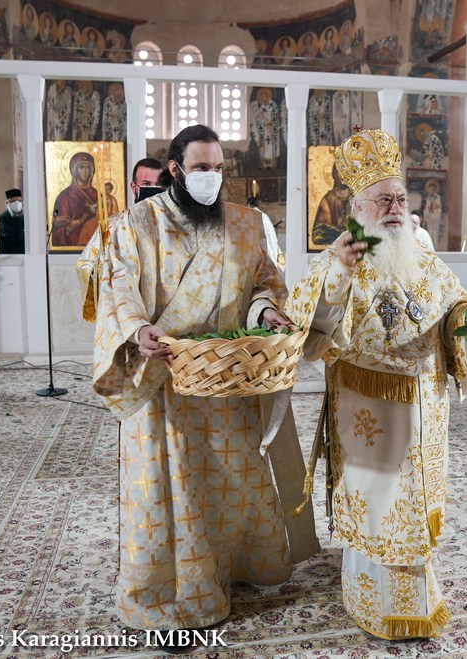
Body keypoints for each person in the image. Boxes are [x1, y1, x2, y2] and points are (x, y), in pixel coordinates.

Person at [92, 125, 317, 646]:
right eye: (200, 168)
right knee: (177, 488)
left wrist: (266, 312)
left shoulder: (246, 224)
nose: (211, 177)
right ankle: (175, 589)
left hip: (227, 378)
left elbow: (265, 283)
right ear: (175, 170)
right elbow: (119, 285)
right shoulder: (136, 224)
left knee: (231, 479)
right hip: (166, 380)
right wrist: (137, 330)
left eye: (218, 168)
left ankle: (237, 566)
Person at [285, 129, 467, 640]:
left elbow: (452, 302)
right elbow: (308, 325)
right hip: (369, 409)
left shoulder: (420, 253)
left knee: (415, 503)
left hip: (424, 406)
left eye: (400, 198)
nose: (396, 208)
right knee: (379, 506)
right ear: (358, 207)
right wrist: (340, 271)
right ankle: (372, 600)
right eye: (383, 200)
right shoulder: (339, 255)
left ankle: (419, 599)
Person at [77, 158, 165, 322]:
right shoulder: (113, 225)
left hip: (164, 311)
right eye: (146, 184)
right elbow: (85, 264)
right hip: (126, 311)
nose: (153, 190)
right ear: (134, 187)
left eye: (158, 185)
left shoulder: (174, 227)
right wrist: (102, 265)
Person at [51, 151, 101, 247]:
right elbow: (57, 232)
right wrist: (71, 226)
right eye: (81, 167)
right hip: (72, 247)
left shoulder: (99, 195)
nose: (85, 171)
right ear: (74, 170)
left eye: (88, 167)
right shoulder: (65, 196)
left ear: (92, 170)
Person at [311, 164, 351, 247]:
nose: (342, 176)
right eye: (339, 172)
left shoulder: (358, 197)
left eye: (345, 172)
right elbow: (318, 233)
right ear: (334, 175)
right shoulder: (328, 199)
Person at [246, 196, 282, 269]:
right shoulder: (264, 216)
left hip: (259, 247)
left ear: (248, 205)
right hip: (269, 246)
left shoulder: (251, 215)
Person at [0, 188, 25, 254]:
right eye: (13, 201)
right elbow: (9, 238)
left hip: (23, 254)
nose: (17, 203)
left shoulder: (23, 216)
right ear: (8, 203)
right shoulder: (4, 218)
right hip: (9, 255)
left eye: (19, 200)